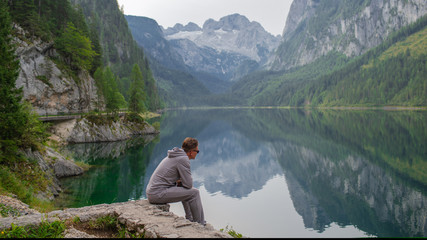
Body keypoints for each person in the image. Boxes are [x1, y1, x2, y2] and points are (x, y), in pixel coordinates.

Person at [146, 137, 205, 225]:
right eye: (197, 151)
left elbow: (184, 185)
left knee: (183, 186)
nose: (197, 153)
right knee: (194, 193)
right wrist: (183, 180)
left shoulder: (176, 155)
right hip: (157, 193)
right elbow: (189, 184)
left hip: (152, 192)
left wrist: (180, 180)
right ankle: (200, 224)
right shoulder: (183, 159)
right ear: (191, 152)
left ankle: (190, 219)